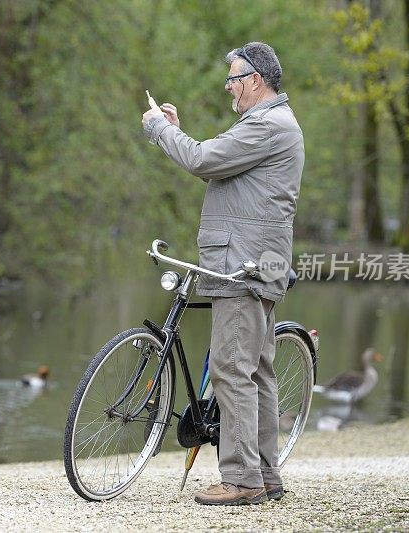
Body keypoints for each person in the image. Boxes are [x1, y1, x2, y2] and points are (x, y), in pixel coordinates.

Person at [141, 41, 304, 506]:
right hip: (256, 262)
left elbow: (203, 161)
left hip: (242, 266)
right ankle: (265, 474)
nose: (228, 87)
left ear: (255, 79)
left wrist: (158, 130)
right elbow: (217, 158)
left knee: (232, 369)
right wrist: (179, 132)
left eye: (233, 78)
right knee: (257, 371)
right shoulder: (270, 125)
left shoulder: (267, 125)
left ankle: (241, 479)